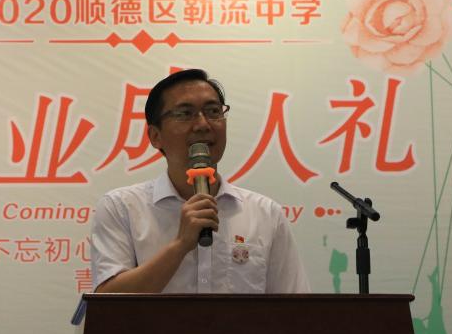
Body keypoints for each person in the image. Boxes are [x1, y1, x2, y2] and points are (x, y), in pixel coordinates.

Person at [92, 69, 310, 293]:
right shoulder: (122, 208)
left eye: (213, 111)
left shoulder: (265, 214)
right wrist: (180, 245)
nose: (203, 124)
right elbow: (107, 301)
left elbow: (296, 306)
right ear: (155, 136)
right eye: (185, 114)